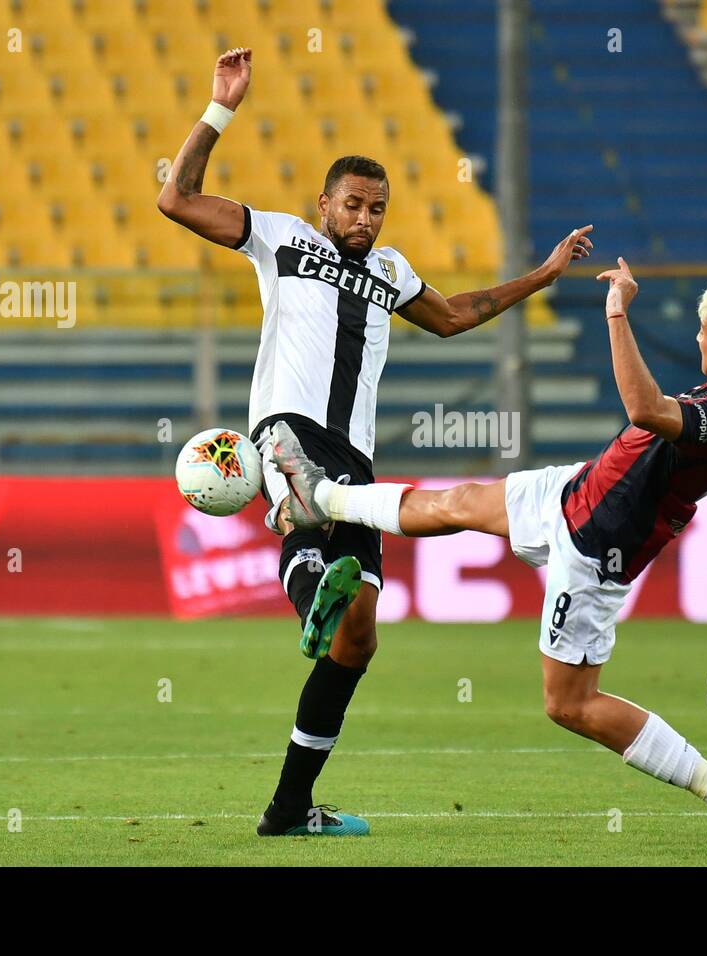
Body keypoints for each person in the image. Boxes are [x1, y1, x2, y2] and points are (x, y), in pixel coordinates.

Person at [269, 257, 707, 849]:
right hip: (581, 487)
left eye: (706, 336)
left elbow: (646, 410)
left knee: (569, 703)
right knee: (455, 504)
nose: (701, 343)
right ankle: (321, 497)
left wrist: (617, 310)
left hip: (595, 545)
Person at [157, 47, 595, 836]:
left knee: (359, 640)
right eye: (353, 204)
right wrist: (221, 107)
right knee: (310, 520)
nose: (364, 219)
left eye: (376, 209)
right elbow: (175, 199)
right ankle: (306, 595)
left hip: (354, 457)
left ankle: (290, 807)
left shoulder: (389, 272)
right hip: (285, 429)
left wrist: (545, 273)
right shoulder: (281, 239)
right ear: (323, 203)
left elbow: (458, 313)